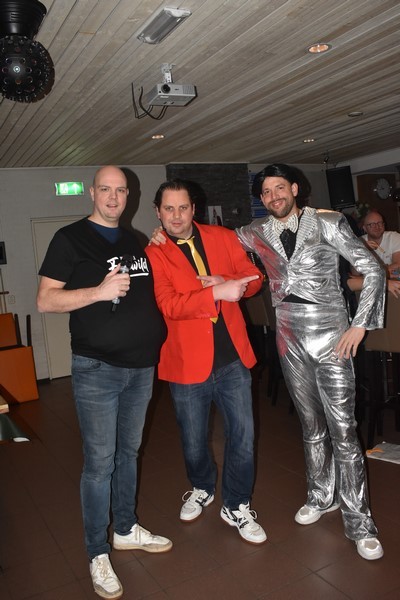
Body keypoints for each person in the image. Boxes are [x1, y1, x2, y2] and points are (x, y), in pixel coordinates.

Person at [236, 163, 386, 561]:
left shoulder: (328, 222)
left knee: (343, 430)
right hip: (288, 335)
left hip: (332, 335)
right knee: (310, 425)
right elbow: (217, 240)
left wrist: (360, 325)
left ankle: (360, 522)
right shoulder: (257, 230)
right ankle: (321, 495)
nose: (273, 196)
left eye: (279, 188)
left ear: (294, 188)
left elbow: (373, 269)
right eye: (266, 192)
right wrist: (166, 235)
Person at [37, 166, 172, 600]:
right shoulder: (69, 238)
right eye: (105, 190)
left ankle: (126, 529)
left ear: (129, 195)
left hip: (141, 368)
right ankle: (97, 551)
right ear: (92, 193)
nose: (113, 197)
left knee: (129, 453)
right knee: (100, 463)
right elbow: (46, 299)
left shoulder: (134, 240)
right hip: (97, 369)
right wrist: (97, 291)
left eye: (121, 190)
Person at [145, 178, 267, 545]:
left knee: (243, 436)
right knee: (194, 440)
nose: (176, 216)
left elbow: (255, 278)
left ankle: (237, 503)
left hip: (231, 358)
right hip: (186, 363)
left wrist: (225, 280)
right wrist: (215, 292)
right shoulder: (154, 252)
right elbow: (168, 305)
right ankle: (201, 487)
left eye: (182, 208)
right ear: (157, 212)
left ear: (193, 209)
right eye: (169, 209)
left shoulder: (222, 237)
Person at [361, 210, 400, 276]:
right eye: (372, 224)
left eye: (380, 223)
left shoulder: (394, 237)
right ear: (365, 228)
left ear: (384, 224)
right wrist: (363, 250)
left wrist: (371, 272)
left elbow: (398, 265)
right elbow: (355, 272)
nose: (377, 226)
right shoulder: (359, 242)